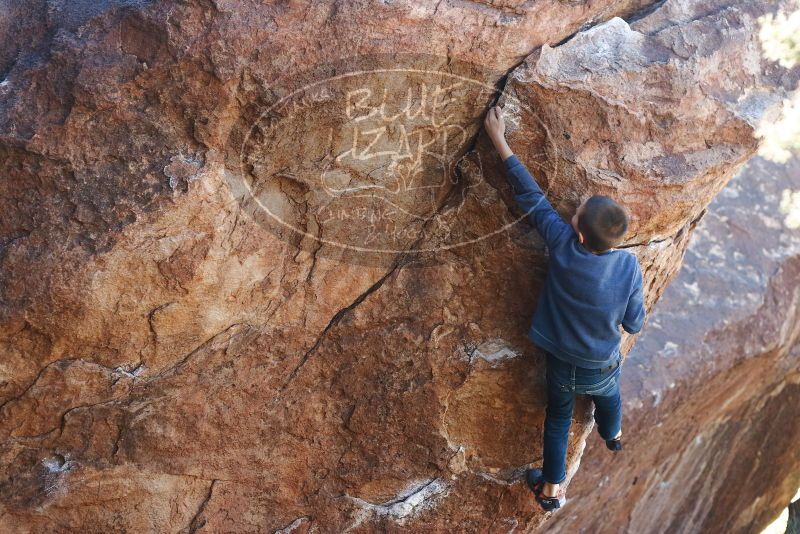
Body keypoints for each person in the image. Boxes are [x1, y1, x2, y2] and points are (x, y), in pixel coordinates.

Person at [483, 106, 646, 512]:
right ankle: (614, 435)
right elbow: (634, 322)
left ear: (577, 230)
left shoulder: (561, 245)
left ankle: (552, 490)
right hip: (602, 363)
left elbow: (532, 198)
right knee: (609, 399)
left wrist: (500, 141)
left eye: (576, 210)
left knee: (558, 421)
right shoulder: (627, 265)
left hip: (561, 364)